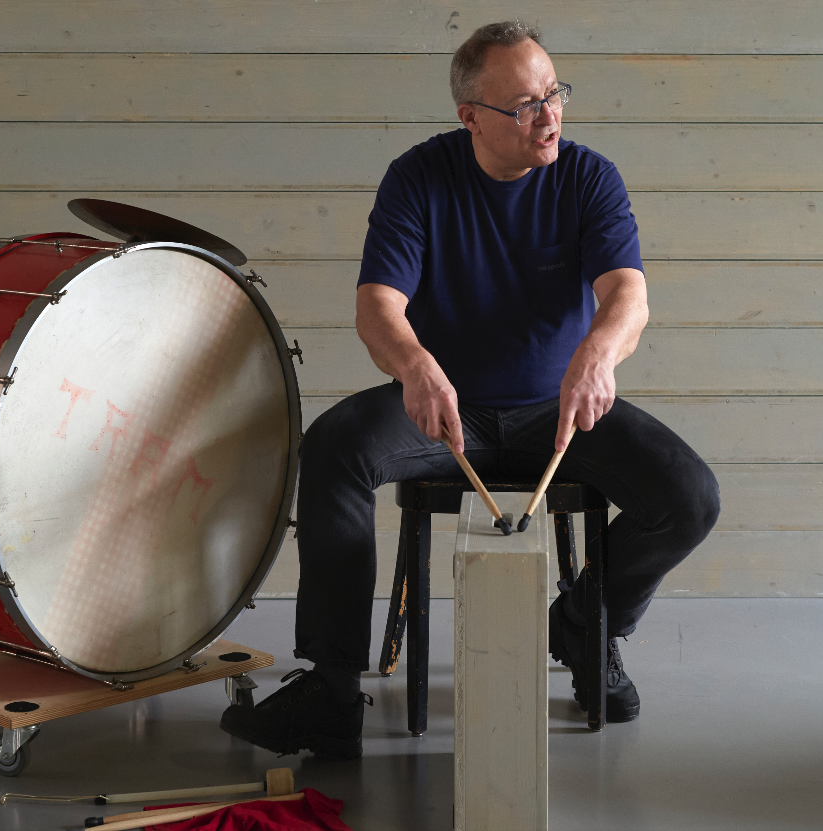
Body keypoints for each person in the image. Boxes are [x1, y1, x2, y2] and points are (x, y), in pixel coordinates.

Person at [221, 20, 720, 760]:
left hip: (557, 408)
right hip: (444, 407)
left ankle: (588, 623)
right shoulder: (419, 177)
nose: (548, 115)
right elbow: (376, 306)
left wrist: (597, 353)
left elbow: (627, 296)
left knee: (688, 496)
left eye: (554, 94)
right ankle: (330, 687)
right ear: (471, 117)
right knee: (333, 447)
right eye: (524, 104)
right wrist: (416, 366)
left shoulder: (588, 177)